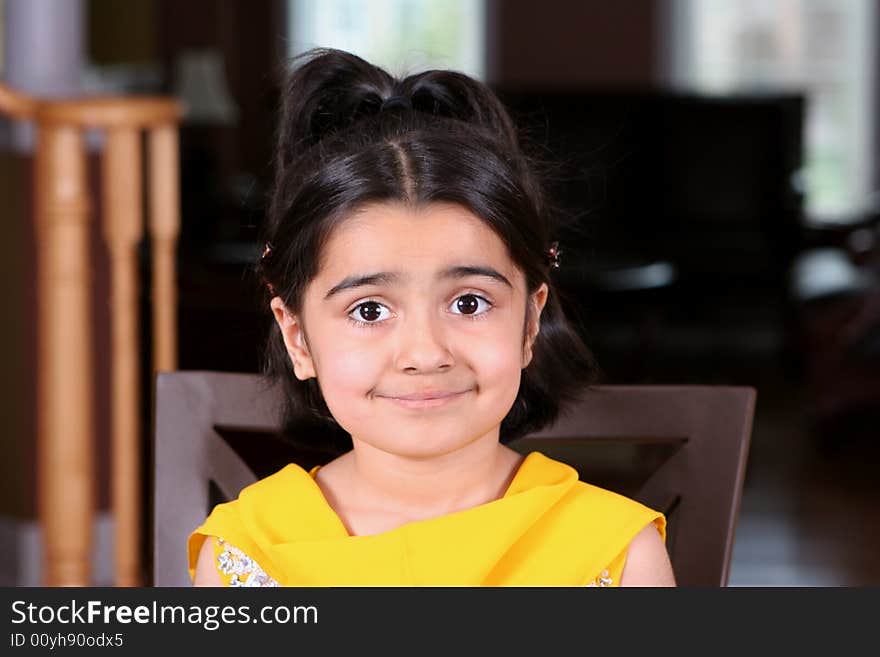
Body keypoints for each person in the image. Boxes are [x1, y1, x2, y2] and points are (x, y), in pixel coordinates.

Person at [188, 48, 675, 587]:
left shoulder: (615, 552)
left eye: (469, 303)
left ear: (530, 323)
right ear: (297, 337)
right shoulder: (247, 553)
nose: (424, 353)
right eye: (369, 310)